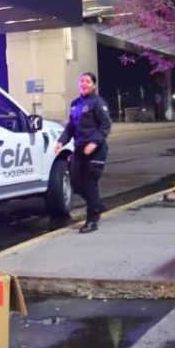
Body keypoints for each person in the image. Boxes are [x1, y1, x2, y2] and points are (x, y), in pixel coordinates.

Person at [55, 72, 112, 233]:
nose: (84, 84)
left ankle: (92, 220)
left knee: (89, 183)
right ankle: (96, 205)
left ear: (94, 85)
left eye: (88, 81)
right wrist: (61, 142)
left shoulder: (98, 103)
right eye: (82, 81)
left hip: (96, 150)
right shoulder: (75, 104)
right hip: (80, 149)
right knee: (75, 183)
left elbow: (105, 126)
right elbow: (70, 127)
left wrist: (94, 143)